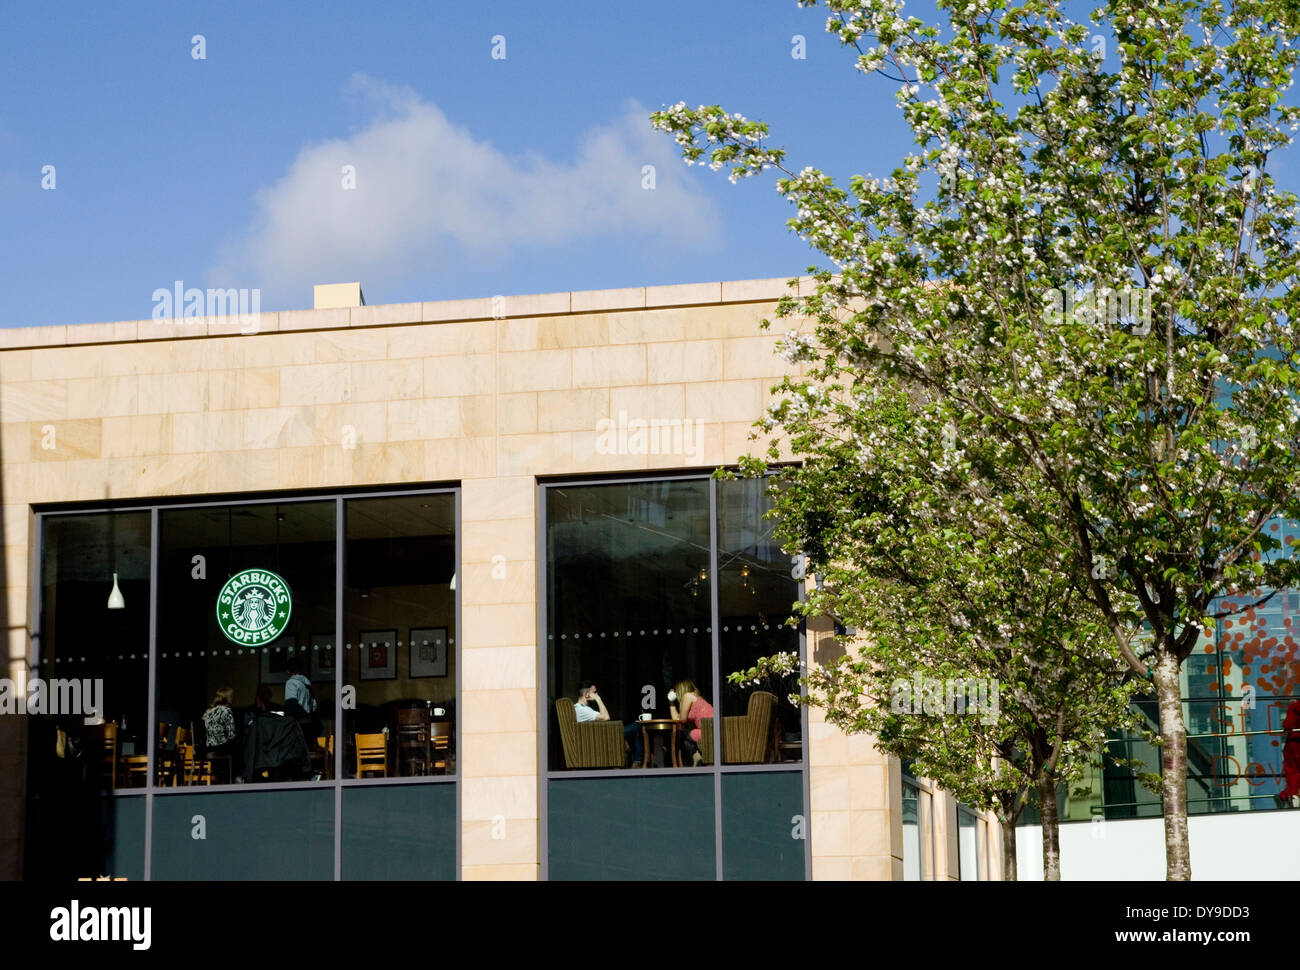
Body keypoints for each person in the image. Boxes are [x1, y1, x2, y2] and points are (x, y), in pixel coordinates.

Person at [669, 679, 714, 767]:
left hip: (708, 731)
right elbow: (677, 719)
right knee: (685, 740)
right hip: (708, 730)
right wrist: (671, 702)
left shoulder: (687, 696)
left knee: (680, 733)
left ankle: (694, 757)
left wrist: (671, 701)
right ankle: (696, 756)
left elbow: (681, 720)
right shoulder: (695, 697)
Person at [202, 686, 241, 781]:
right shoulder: (227, 711)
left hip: (207, 749)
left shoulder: (208, 712)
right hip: (219, 749)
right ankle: (237, 777)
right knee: (239, 745)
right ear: (229, 698)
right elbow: (232, 735)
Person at [1277, 698, 1300, 808]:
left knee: (1292, 772)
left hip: (1293, 744)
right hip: (1295, 745)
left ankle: (1288, 796)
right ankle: (1288, 796)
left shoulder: (1294, 707)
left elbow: (1287, 724)